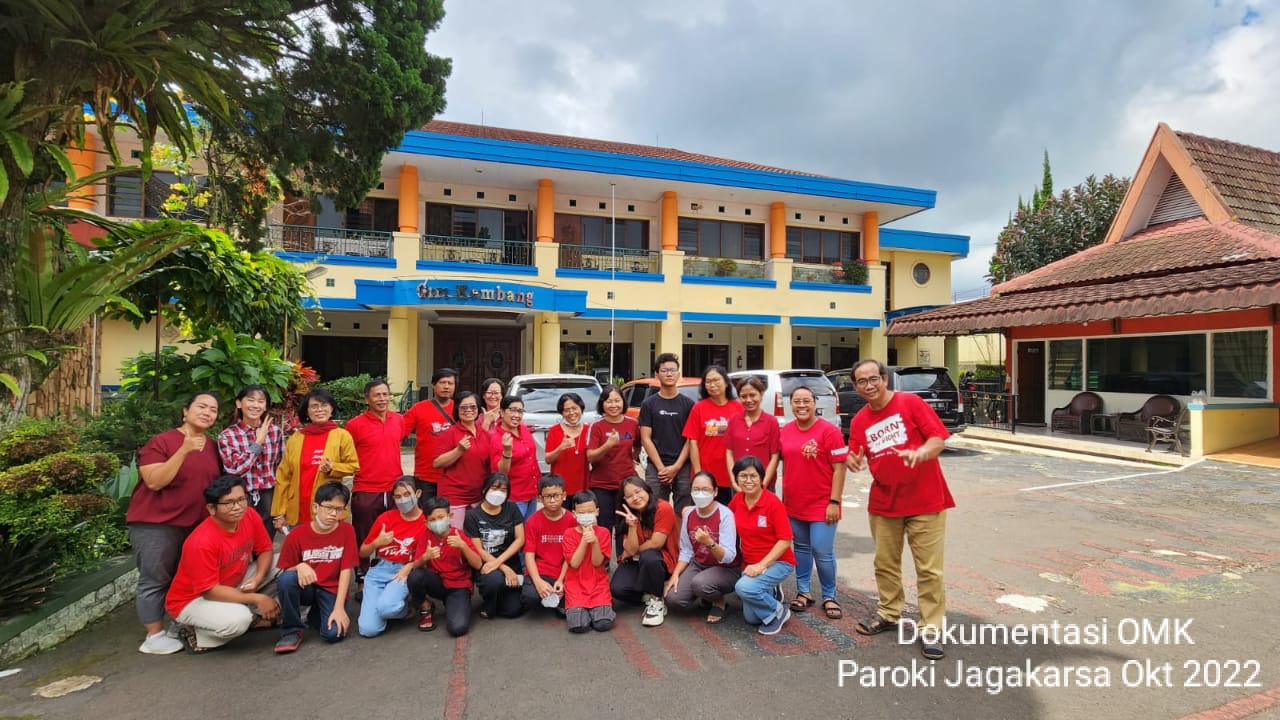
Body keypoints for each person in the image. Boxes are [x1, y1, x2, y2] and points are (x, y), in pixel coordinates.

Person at [846, 359, 955, 661]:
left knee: (929, 570)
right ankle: (889, 612)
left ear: (884, 379)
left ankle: (931, 628)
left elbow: (938, 439)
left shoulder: (911, 403)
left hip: (926, 500)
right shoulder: (859, 420)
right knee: (885, 564)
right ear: (856, 386)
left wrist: (921, 453)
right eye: (861, 382)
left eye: (873, 379)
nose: (869, 386)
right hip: (884, 502)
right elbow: (856, 454)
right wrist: (853, 461)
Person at [129, 391, 224, 655]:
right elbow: (155, 481)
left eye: (213, 410)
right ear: (185, 411)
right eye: (201, 406)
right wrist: (183, 450)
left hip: (195, 526)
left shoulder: (213, 446)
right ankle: (153, 635)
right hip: (156, 523)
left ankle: (179, 625)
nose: (207, 412)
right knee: (156, 577)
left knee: (189, 577)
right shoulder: (163, 441)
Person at [165, 475, 278, 654]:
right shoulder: (201, 541)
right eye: (229, 503)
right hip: (192, 600)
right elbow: (210, 591)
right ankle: (193, 633)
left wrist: (257, 578)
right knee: (239, 620)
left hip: (230, 584)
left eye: (241, 499)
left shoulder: (249, 515)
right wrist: (258, 598)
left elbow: (265, 549)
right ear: (211, 508)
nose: (238, 507)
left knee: (284, 564)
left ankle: (254, 615)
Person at [779, 385, 849, 621]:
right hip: (794, 504)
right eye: (796, 401)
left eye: (806, 401)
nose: (801, 405)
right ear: (791, 405)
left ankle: (830, 595)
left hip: (823, 504)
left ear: (814, 402)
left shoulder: (829, 432)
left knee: (822, 550)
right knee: (800, 548)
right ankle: (804, 592)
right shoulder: (785, 431)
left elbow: (840, 468)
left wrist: (834, 501)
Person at [273, 482, 358, 653]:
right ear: (315, 507)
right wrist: (299, 566)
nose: (333, 514)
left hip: (331, 589)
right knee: (287, 580)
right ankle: (291, 630)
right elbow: (285, 569)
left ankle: (316, 615)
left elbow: (345, 571)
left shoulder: (347, 531)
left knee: (334, 634)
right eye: (328, 507)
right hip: (308, 587)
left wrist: (339, 608)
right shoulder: (297, 535)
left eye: (339, 509)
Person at [271, 388, 359, 531]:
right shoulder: (296, 438)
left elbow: (353, 466)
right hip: (298, 509)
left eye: (324, 405)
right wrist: (279, 513)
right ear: (307, 411)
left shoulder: (342, 435)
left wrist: (333, 468)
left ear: (332, 409)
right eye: (314, 406)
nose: (319, 410)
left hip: (329, 509)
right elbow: (283, 477)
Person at [345, 378, 406, 576]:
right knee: (363, 536)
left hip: (395, 488)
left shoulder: (398, 420)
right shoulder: (354, 425)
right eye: (376, 395)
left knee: (394, 535)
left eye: (385, 394)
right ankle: (361, 577)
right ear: (367, 399)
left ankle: (389, 573)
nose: (382, 399)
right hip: (366, 489)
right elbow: (346, 455)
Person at [729, 456, 795, 636]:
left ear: (761, 478)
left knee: (744, 588)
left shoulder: (773, 503)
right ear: (736, 479)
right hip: (750, 564)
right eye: (743, 476)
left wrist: (761, 565)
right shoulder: (737, 501)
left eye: (753, 476)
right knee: (752, 619)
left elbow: (785, 540)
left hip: (778, 562)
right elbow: (724, 520)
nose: (748, 481)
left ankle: (779, 612)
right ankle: (770, 590)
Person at [663, 471, 740, 623]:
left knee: (700, 583)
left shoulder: (725, 515)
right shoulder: (689, 514)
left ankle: (718, 601)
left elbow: (729, 556)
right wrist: (675, 574)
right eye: (696, 489)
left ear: (715, 492)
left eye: (705, 489)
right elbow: (686, 550)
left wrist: (709, 543)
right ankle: (706, 593)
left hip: (727, 568)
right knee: (674, 598)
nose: (700, 494)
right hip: (699, 564)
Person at [356, 477, 428, 638]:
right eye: (398, 496)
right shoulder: (385, 518)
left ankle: (404, 607)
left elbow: (427, 559)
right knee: (368, 630)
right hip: (380, 569)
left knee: (386, 607)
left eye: (406, 494)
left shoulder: (426, 522)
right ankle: (391, 606)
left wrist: (408, 568)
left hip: (403, 570)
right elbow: (363, 552)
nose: (402, 500)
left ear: (418, 493)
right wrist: (376, 543)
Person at [610, 476, 679, 627]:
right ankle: (650, 589)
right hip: (636, 560)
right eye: (629, 496)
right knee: (618, 589)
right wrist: (632, 526)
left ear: (647, 489)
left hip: (661, 559)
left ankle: (656, 599)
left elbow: (656, 543)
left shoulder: (663, 507)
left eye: (638, 491)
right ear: (624, 500)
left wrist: (631, 552)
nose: (635, 498)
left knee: (649, 557)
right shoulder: (627, 515)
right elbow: (631, 548)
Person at [217, 385, 284, 539]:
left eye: (261, 401)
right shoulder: (227, 436)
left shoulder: (275, 432)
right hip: (241, 497)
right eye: (251, 400)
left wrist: (282, 506)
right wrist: (258, 443)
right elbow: (235, 470)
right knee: (242, 543)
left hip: (269, 496)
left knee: (265, 543)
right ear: (239, 403)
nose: (256, 405)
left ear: (266, 405)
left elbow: (281, 468)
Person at [410, 497, 482, 636]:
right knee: (415, 576)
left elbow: (478, 564)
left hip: (459, 586)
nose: (437, 522)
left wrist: (463, 546)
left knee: (458, 628)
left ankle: (454, 605)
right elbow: (416, 565)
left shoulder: (459, 535)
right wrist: (426, 557)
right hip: (438, 583)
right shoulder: (426, 536)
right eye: (432, 520)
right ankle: (425, 606)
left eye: (441, 517)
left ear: (450, 516)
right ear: (426, 522)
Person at [585, 384, 640, 554]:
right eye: (609, 401)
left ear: (623, 403)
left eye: (617, 401)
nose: (613, 405)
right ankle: (604, 561)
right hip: (601, 484)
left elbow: (637, 445)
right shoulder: (597, 426)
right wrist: (607, 446)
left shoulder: (632, 424)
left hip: (626, 483)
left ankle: (624, 558)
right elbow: (590, 456)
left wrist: (632, 458)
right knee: (604, 526)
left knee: (624, 524)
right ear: (602, 404)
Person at [638, 353, 695, 514]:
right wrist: (661, 468)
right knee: (654, 509)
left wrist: (676, 467)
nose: (669, 374)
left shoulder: (688, 404)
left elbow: (690, 439)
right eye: (664, 370)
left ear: (678, 374)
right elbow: (645, 438)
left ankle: (678, 540)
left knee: (683, 510)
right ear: (657, 375)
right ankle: (658, 540)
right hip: (656, 466)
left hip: (683, 465)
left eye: (672, 370)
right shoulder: (649, 404)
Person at [464, 473, 526, 620]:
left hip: (510, 562)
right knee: (494, 581)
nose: (499, 493)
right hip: (486, 564)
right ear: (484, 489)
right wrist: (502, 567)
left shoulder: (512, 508)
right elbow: (478, 549)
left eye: (504, 490)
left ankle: (501, 597)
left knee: (514, 610)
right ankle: (489, 603)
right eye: (495, 488)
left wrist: (501, 562)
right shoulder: (473, 515)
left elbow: (520, 539)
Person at [683, 365, 743, 505]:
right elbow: (692, 442)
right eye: (708, 381)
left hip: (731, 475)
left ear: (726, 382)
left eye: (716, 380)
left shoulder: (738, 407)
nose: (712, 385)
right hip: (706, 475)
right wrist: (698, 474)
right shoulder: (699, 407)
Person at [432, 390, 493, 528]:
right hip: (455, 496)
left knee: (476, 538)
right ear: (457, 410)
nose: (468, 411)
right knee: (455, 538)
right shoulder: (450, 433)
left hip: (478, 496)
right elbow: (437, 463)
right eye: (463, 407)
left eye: (473, 407)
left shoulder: (485, 434)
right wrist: (458, 451)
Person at [562, 491, 615, 633]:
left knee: (603, 624)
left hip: (598, 585)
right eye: (582, 513)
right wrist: (585, 541)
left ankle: (600, 608)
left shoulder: (603, 532)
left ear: (597, 511)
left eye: (590, 512)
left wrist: (595, 541)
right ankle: (577, 609)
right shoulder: (568, 534)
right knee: (579, 626)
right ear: (574, 513)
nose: (586, 516)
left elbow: (598, 562)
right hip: (576, 585)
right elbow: (574, 563)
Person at [402, 367, 457, 503]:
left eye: (450, 383)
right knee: (426, 516)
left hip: (453, 476)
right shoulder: (418, 409)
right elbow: (399, 432)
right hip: (425, 476)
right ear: (433, 385)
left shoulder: (461, 409)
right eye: (442, 382)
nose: (446, 386)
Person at [521, 475, 575, 613]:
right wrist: (538, 582)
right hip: (541, 571)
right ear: (540, 498)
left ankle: (559, 598)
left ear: (564, 495)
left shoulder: (571, 520)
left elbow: (571, 556)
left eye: (556, 495)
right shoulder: (532, 521)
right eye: (547, 496)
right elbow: (529, 555)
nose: (552, 500)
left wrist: (561, 580)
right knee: (530, 597)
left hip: (565, 570)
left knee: (573, 597)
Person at [725, 375, 781, 492]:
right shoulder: (734, 420)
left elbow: (774, 456)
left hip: (764, 486)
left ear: (761, 394)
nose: (748, 400)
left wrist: (762, 484)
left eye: (752, 395)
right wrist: (734, 481)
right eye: (744, 396)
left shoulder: (771, 421)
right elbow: (729, 452)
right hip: (739, 485)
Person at [491, 395, 540, 518]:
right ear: (501, 412)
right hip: (515, 496)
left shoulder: (523, 429)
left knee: (529, 531)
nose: (517, 415)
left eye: (520, 411)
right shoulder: (496, 438)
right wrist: (507, 452)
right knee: (516, 534)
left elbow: (532, 459)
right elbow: (500, 472)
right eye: (513, 410)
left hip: (532, 492)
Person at [544, 392, 588, 497]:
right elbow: (548, 459)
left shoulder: (588, 430)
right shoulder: (555, 430)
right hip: (560, 488)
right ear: (562, 413)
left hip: (582, 487)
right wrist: (560, 448)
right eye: (566, 410)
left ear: (581, 409)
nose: (571, 413)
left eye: (574, 408)